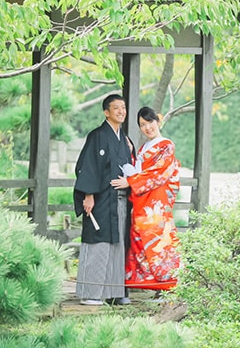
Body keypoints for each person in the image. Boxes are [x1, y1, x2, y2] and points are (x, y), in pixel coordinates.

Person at [74, 93, 136, 306]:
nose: (121, 111)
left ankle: (115, 292)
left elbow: (131, 167)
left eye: (123, 108)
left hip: (119, 201)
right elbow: (88, 166)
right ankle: (91, 292)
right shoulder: (98, 135)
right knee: (99, 242)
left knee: (118, 243)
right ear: (106, 112)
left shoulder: (124, 139)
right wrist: (88, 195)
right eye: (116, 108)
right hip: (100, 199)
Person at [111, 106, 181, 292]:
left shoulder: (166, 145)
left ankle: (168, 282)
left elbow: (159, 172)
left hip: (155, 202)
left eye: (150, 122)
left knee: (158, 240)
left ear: (158, 121)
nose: (147, 127)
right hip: (143, 200)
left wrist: (131, 180)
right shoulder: (143, 148)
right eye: (142, 125)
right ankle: (146, 283)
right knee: (139, 239)